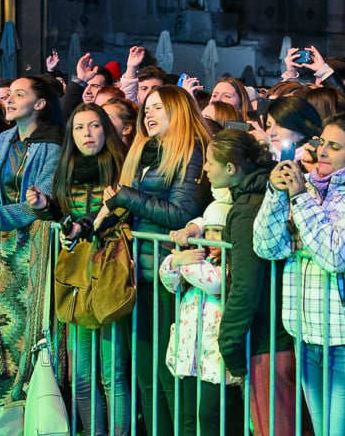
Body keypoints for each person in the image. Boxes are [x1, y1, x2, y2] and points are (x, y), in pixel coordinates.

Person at [255, 113, 345, 435]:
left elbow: (336, 255)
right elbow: (267, 247)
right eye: (322, 142)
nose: (323, 151)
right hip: (306, 331)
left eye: (335, 147)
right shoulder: (307, 185)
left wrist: (299, 198)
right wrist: (275, 193)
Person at [98, 85, 210, 435]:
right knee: (144, 374)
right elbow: (131, 210)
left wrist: (125, 196)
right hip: (137, 274)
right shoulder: (144, 151)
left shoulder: (191, 150)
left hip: (169, 275)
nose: (149, 113)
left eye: (158, 107)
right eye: (147, 108)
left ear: (178, 110)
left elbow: (180, 214)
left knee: (167, 374)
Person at [0, 76, 62, 410]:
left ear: (41, 103)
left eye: (20, 94)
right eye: (10, 94)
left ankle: (22, 408)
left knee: (24, 334)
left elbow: (39, 200)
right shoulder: (5, 138)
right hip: (2, 246)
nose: (10, 99)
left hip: (34, 248)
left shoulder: (54, 143)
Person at [38, 103, 129, 435]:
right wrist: (47, 209)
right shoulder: (66, 169)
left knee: (112, 373)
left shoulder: (121, 168)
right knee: (82, 374)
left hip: (109, 276)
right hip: (76, 277)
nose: (87, 134)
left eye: (93, 126)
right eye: (78, 127)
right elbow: (64, 217)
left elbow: (122, 217)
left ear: (106, 129)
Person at [160, 187, 242, 435]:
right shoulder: (197, 260)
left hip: (214, 360)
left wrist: (180, 260)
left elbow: (214, 282)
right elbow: (167, 279)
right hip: (189, 356)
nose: (213, 239)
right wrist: (175, 261)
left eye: (220, 232)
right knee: (188, 417)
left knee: (209, 417)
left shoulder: (229, 267)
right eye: (210, 231)